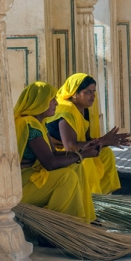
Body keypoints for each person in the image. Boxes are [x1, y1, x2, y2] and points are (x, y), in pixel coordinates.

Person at [14, 81, 102, 223]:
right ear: (39, 102)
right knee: (66, 177)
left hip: (31, 180)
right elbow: (50, 163)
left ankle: (82, 219)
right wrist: (82, 155)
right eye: (52, 100)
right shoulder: (28, 124)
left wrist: (83, 150)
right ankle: (58, 225)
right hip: (22, 186)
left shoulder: (39, 123)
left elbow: (54, 154)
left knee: (75, 166)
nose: (56, 103)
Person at [47, 73, 131, 195]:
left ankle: (103, 195)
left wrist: (107, 142)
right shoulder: (66, 111)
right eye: (88, 92)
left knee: (106, 154)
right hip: (58, 153)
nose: (93, 96)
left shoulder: (83, 110)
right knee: (87, 160)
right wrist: (102, 141)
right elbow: (71, 146)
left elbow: (85, 140)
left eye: (94, 91)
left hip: (71, 148)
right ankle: (91, 197)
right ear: (74, 93)